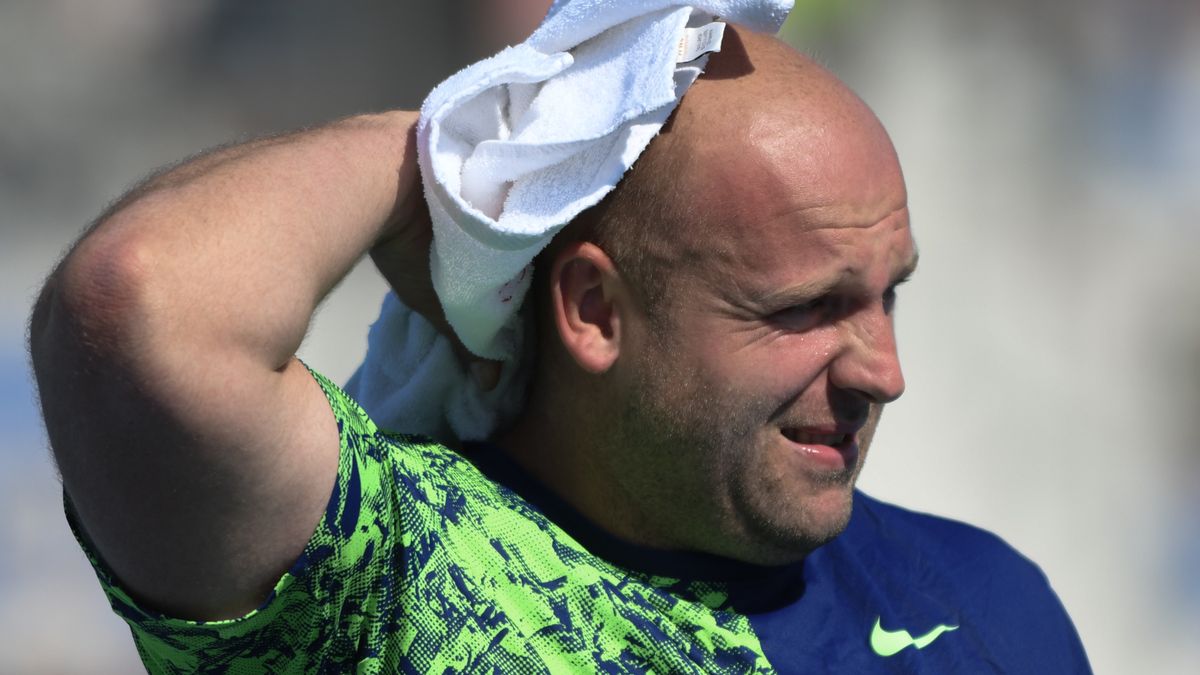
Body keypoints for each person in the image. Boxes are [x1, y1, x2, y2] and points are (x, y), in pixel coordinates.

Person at [29, 27, 1090, 673]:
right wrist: (459, 157)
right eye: (805, 309)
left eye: (886, 297)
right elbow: (137, 308)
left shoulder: (979, 600)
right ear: (592, 309)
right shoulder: (398, 579)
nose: (882, 373)